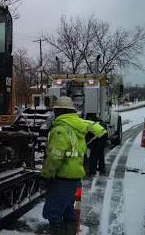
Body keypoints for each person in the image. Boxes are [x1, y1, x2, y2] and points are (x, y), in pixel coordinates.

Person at [40, 96, 87, 235]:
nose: (54, 113)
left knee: (53, 213)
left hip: (62, 178)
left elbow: (54, 158)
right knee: (68, 210)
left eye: (56, 110)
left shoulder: (60, 130)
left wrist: (45, 177)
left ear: (61, 111)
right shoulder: (77, 127)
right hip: (74, 178)